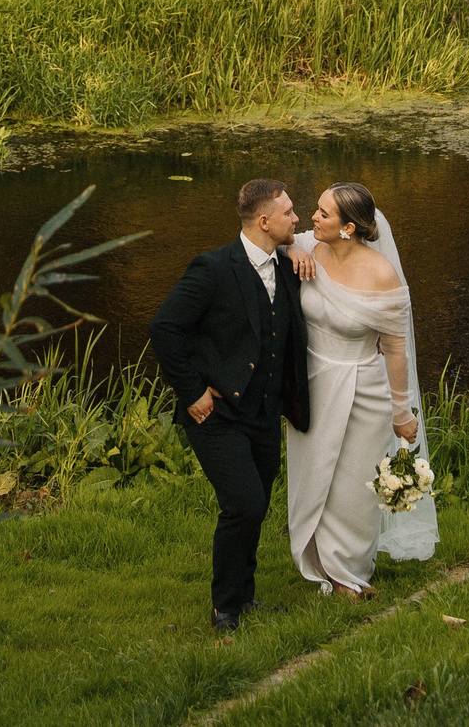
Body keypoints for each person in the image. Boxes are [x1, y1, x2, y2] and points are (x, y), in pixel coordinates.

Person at [148, 178, 311, 633]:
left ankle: (245, 595)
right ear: (264, 221)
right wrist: (192, 392)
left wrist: (297, 249)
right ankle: (224, 608)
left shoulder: (284, 263)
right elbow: (164, 328)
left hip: (264, 413)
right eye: (289, 213)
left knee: (256, 506)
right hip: (216, 414)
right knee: (244, 504)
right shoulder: (213, 268)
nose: (297, 218)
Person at [282, 182, 438, 595]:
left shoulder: (381, 274)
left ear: (348, 228)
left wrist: (402, 411)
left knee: (353, 487)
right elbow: (273, 237)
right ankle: (318, 561)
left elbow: (396, 349)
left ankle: (348, 573)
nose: (312, 217)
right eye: (316, 210)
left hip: (364, 389)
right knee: (316, 476)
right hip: (312, 385)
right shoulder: (308, 246)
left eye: (323, 213)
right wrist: (293, 250)